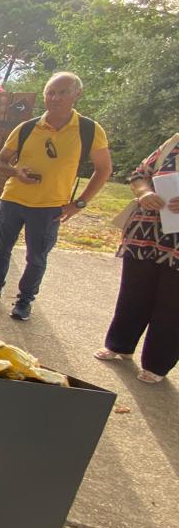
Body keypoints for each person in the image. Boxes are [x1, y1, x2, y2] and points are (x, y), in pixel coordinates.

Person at [0, 72, 112, 320]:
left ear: (76, 94)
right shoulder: (27, 128)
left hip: (50, 206)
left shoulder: (89, 130)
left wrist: (78, 203)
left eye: (62, 92)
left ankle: (25, 300)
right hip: (13, 199)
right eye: (50, 93)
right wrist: (16, 171)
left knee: (36, 257)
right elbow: (0, 163)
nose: (55, 98)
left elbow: (104, 169)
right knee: (0, 249)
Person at [95, 133, 179, 384]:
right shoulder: (174, 142)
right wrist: (144, 193)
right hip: (145, 231)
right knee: (133, 291)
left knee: (172, 304)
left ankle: (157, 363)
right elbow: (139, 173)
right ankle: (120, 344)